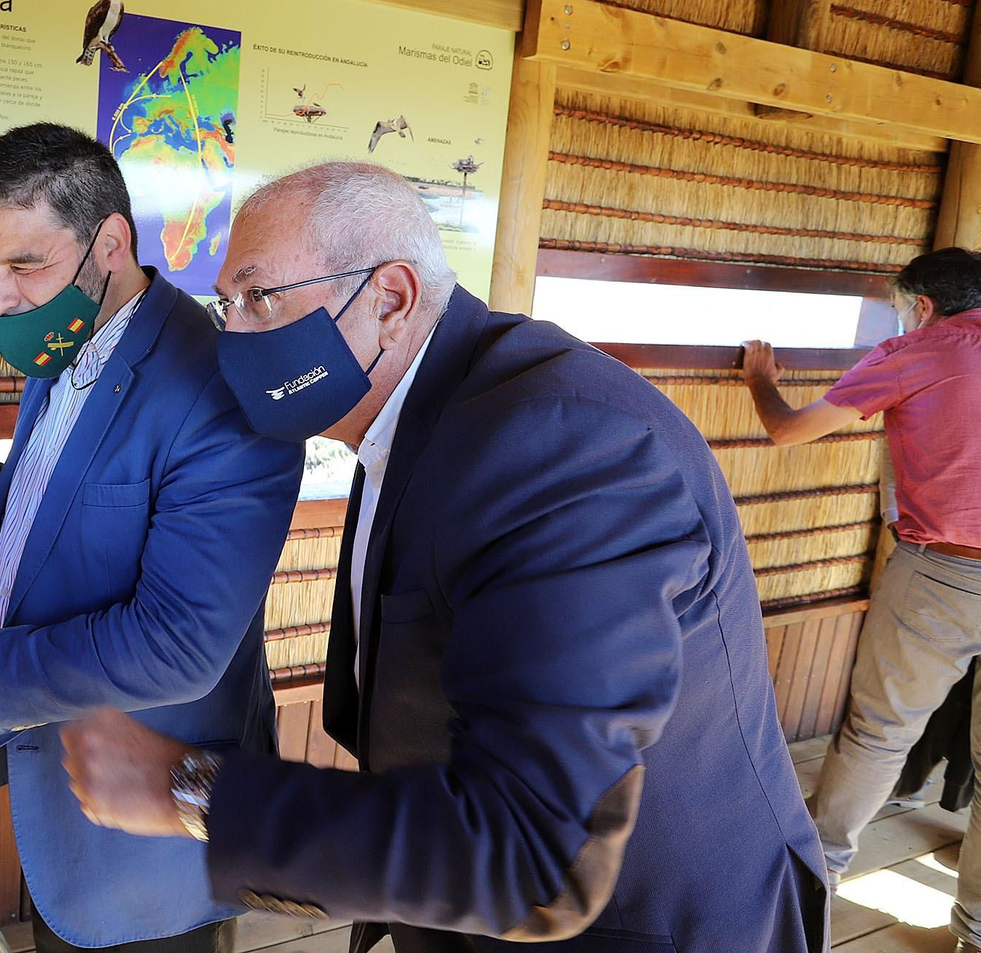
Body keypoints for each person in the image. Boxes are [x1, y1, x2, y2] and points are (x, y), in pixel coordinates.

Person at [58, 161, 828, 953]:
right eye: (228, 305)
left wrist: (189, 790)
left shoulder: (564, 448)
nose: (234, 336)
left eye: (260, 297)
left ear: (390, 299)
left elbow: (539, 853)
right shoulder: (414, 419)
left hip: (644, 929)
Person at [0, 124, 303, 953]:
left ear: (111, 242)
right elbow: (74, 509)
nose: (2, 297)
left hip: (150, 827)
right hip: (60, 778)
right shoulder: (70, 341)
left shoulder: (219, 391)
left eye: (25, 264)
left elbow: (179, 644)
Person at [739, 247, 981, 953]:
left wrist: (761, 381)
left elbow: (788, 429)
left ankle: (812, 882)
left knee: (877, 734)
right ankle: (974, 930)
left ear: (924, 305)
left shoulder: (916, 350)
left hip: (942, 573)